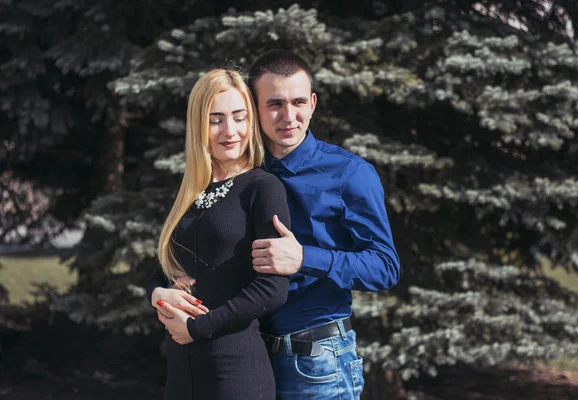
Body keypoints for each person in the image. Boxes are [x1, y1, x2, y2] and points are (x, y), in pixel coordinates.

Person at [247, 49, 400, 399]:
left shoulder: (350, 174)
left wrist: (304, 259)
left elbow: (385, 266)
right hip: (250, 358)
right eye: (275, 104)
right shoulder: (245, 172)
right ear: (254, 107)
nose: (289, 116)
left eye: (299, 102)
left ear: (313, 103)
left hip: (317, 362)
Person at [145, 68, 291, 400]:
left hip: (235, 373)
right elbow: (161, 270)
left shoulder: (262, 188)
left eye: (239, 118)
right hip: (182, 374)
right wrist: (157, 294)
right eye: (216, 120)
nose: (231, 131)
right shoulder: (189, 191)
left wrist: (197, 328)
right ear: (199, 125)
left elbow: (273, 288)